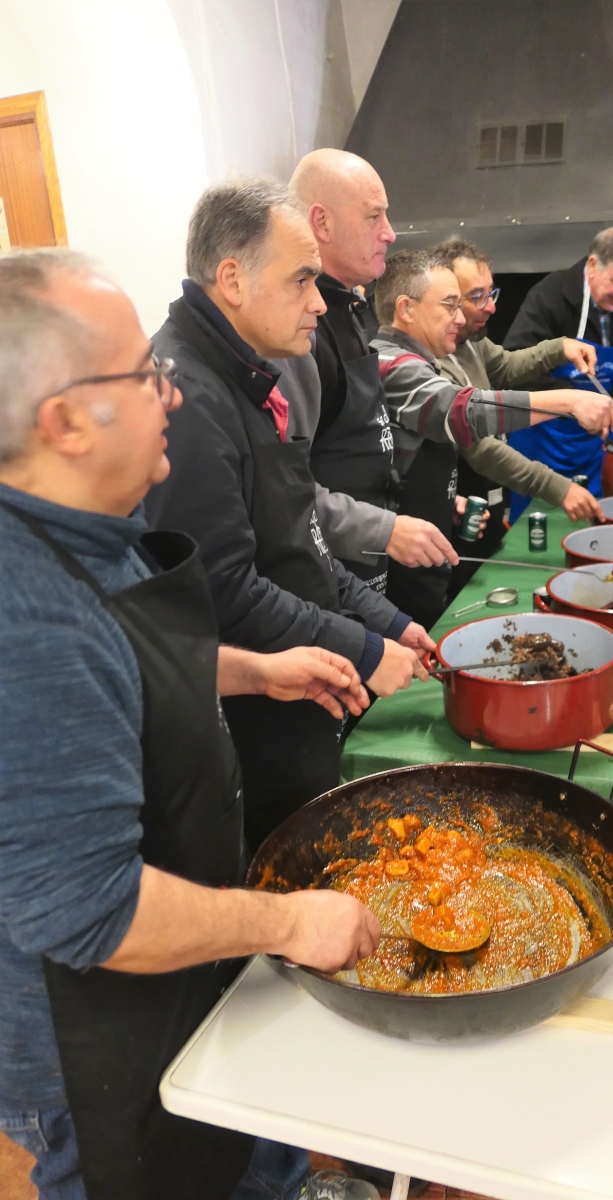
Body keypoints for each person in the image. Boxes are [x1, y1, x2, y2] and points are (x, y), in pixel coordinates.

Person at [0, 248, 382, 1200]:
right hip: (98, 1040)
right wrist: (289, 921)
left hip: (185, 967)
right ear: (65, 423)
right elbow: (93, 912)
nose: (168, 392)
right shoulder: (28, 620)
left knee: (247, 1144)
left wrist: (252, 671)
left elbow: (118, 666)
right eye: (144, 375)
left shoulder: (83, 523)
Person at [145, 180, 430, 850]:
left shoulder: (249, 374)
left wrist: (386, 621)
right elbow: (224, 592)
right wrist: (362, 649)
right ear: (232, 280)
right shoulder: (190, 399)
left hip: (300, 703)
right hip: (249, 732)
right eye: (302, 280)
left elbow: (301, 539)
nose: (318, 302)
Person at [372, 250, 613, 627]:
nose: (461, 317)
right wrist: (567, 402)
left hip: (429, 544)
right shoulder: (393, 365)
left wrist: (444, 502)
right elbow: (462, 413)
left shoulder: (425, 356)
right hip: (400, 568)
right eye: (452, 304)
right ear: (406, 309)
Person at [286, 148, 455, 591]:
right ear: (321, 223)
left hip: (369, 565)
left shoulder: (350, 309)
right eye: (373, 216)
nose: (390, 233)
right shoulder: (297, 333)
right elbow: (287, 493)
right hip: (326, 578)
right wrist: (381, 529)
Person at [431, 238, 603, 578]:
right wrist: (558, 487)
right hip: (457, 509)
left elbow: (507, 366)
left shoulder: (471, 341)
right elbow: (481, 448)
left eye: (491, 294)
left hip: (490, 498)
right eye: (477, 296)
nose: (491, 307)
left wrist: (560, 347)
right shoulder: (433, 363)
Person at [503, 223, 613, 516]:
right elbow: (514, 372)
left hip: (595, 449)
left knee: (596, 526)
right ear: (593, 265)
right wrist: (574, 402)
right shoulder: (549, 296)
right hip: (540, 447)